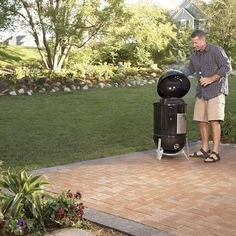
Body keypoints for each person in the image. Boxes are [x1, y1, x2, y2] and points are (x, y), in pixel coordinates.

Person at [183, 29, 232, 163]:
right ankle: (205, 149)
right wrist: (177, 74)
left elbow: (227, 67)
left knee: (214, 121)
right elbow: (189, 69)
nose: (194, 45)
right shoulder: (195, 55)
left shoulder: (216, 50)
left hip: (216, 91)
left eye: (196, 42)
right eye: (193, 43)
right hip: (202, 92)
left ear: (203, 40)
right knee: (202, 120)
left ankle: (215, 152)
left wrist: (211, 79)